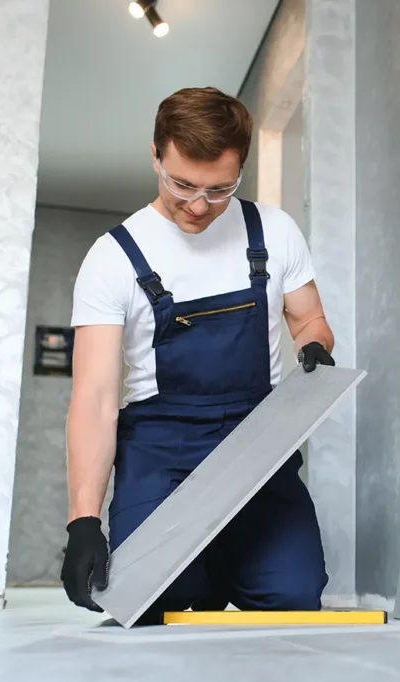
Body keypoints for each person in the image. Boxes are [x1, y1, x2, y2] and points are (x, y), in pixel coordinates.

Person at [59, 86, 336, 623]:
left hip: (257, 441)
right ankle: (202, 569)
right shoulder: (113, 257)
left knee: (294, 598)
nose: (197, 206)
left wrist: (315, 350)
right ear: (156, 154)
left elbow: (309, 321)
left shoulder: (273, 231)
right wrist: (83, 521)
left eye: (219, 190)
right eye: (182, 183)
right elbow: (94, 397)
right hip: (161, 448)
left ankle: (227, 558)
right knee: (151, 599)